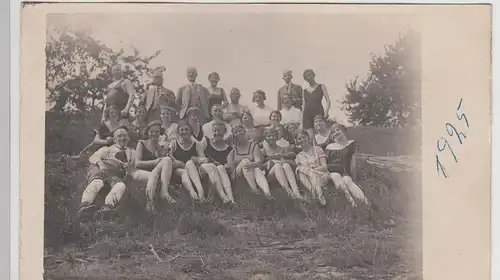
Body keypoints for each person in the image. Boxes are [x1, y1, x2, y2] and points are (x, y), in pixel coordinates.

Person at [78, 126, 152, 220]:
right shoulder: (107, 149)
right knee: (97, 182)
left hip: (115, 174)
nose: (122, 138)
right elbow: (93, 157)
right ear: (114, 139)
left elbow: (138, 164)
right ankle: (84, 206)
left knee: (121, 186)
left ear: (128, 138)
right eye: (119, 136)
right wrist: (101, 165)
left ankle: (107, 209)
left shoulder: (133, 152)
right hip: (100, 168)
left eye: (124, 135)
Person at [168, 121, 216, 202]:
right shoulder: (174, 143)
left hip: (193, 170)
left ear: (190, 131)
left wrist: (197, 160)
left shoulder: (196, 145)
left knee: (190, 163)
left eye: (186, 129)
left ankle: (201, 193)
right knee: (187, 166)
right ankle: (196, 193)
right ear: (178, 132)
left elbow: (203, 159)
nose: (184, 132)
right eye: (182, 130)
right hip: (179, 171)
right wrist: (177, 162)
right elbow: (169, 156)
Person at [325, 123, 370, 207]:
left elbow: (353, 164)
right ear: (332, 135)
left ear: (343, 131)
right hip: (332, 172)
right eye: (333, 132)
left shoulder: (351, 144)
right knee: (336, 176)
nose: (336, 132)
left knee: (347, 180)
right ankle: (352, 203)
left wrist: (354, 178)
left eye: (338, 130)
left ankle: (367, 203)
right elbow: (325, 163)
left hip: (345, 172)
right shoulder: (329, 147)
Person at [135, 121, 176, 212]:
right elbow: (137, 163)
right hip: (139, 172)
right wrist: (155, 161)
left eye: (157, 132)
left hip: (154, 172)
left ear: (160, 133)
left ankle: (164, 192)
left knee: (166, 160)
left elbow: (172, 161)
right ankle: (150, 205)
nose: (154, 134)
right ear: (148, 132)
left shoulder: (161, 147)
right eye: (151, 131)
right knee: (153, 176)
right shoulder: (141, 144)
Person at [227, 124, 273, 199]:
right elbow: (230, 168)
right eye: (235, 132)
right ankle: (254, 189)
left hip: (252, 171)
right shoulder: (233, 150)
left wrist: (251, 165)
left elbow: (258, 162)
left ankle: (267, 193)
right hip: (238, 176)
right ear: (234, 135)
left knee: (257, 169)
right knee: (245, 161)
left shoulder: (254, 146)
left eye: (240, 130)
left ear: (244, 131)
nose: (238, 133)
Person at [261, 127, 303, 200]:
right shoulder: (263, 151)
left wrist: (281, 158)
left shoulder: (282, 149)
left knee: (286, 165)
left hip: (283, 172)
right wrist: (273, 161)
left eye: (274, 135)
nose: (271, 138)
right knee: (277, 165)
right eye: (268, 136)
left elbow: (292, 162)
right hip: (270, 176)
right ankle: (288, 192)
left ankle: (296, 192)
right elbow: (261, 166)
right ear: (265, 139)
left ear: (277, 137)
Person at [202, 121, 235, 204]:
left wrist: (227, 166)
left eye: (219, 131)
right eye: (215, 131)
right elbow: (199, 156)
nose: (217, 133)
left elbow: (230, 167)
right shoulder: (206, 141)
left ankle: (231, 199)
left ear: (225, 132)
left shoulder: (229, 149)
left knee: (220, 167)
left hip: (220, 174)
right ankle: (224, 197)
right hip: (205, 171)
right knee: (213, 167)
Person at [294, 130, 328, 205]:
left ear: (308, 138)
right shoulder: (298, 156)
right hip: (308, 181)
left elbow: (325, 167)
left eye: (304, 137)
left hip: (321, 175)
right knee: (299, 170)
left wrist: (311, 170)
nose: (302, 140)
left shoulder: (317, 149)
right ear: (297, 141)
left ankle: (316, 195)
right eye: (299, 138)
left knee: (300, 169)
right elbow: (302, 175)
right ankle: (315, 194)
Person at [302, 69, 332, 138]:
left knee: (322, 135)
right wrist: (301, 122)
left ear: (314, 75)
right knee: (311, 138)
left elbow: (328, 101)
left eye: (309, 75)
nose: (308, 77)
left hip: (318, 113)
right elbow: (303, 107)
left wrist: (326, 112)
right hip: (307, 116)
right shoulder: (304, 91)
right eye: (306, 76)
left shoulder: (321, 86)